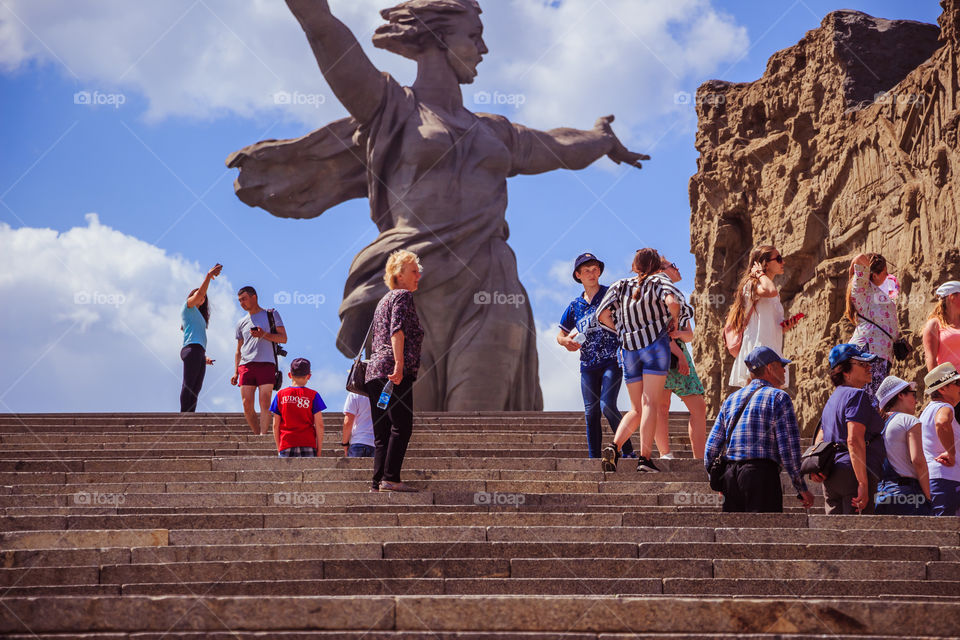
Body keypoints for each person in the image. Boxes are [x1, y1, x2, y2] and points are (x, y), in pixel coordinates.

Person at [229, 0, 649, 411]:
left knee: (479, 413)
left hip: (491, 283)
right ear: (438, 38)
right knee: (416, 417)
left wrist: (602, 138)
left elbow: (558, 147)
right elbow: (322, 27)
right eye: (474, 37)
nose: (483, 50)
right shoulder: (389, 105)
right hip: (412, 281)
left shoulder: (495, 131)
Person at [597, 248, 689, 473]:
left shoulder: (619, 285)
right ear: (657, 265)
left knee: (636, 408)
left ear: (635, 265)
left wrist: (620, 330)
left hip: (629, 350)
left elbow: (601, 314)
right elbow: (673, 303)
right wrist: (675, 322)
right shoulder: (659, 281)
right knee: (650, 405)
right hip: (655, 347)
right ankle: (645, 459)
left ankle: (614, 446)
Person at [704, 346, 814, 512]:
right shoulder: (779, 397)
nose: (785, 371)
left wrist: (717, 479)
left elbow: (711, 447)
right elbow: (789, 450)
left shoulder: (731, 399)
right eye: (781, 366)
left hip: (731, 476)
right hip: (761, 475)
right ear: (770, 368)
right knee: (763, 535)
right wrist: (801, 487)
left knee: (735, 535)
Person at [557, 252, 635, 459]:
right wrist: (566, 342)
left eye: (595, 269)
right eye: (586, 271)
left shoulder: (611, 294)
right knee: (590, 412)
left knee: (607, 405)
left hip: (613, 359)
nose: (592, 274)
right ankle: (593, 459)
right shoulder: (575, 306)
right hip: (588, 365)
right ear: (578, 275)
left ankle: (627, 451)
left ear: (599, 271)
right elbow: (560, 334)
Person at [366, 250, 425, 492]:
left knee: (382, 431)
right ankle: (390, 478)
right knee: (401, 425)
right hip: (392, 372)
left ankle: (377, 481)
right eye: (414, 271)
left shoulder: (383, 301)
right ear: (399, 274)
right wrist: (399, 365)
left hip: (374, 373)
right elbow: (397, 330)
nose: (418, 276)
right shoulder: (402, 296)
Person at [813, 344, 886, 514]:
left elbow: (820, 438)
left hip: (833, 475)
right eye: (861, 364)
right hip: (854, 473)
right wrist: (862, 483)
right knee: (857, 535)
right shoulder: (856, 395)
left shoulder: (832, 399)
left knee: (836, 534)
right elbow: (854, 440)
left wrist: (819, 468)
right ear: (845, 371)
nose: (869, 367)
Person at [654, 259, 706, 459]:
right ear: (660, 270)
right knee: (662, 405)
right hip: (662, 353)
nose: (677, 267)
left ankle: (699, 459)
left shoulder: (677, 295)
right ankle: (665, 454)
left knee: (698, 406)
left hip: (679, 351)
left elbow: (689, 335)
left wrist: (677, 335)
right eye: (672, 265)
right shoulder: (657, 292)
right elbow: (659, 331)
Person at [726, 245, 800, 388]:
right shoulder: (752, 284)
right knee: (755, 394)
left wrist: (784, 327)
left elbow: (770, 324)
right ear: (764, 263)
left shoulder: (768, 287)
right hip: (756, 349)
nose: (782, 262)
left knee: (769, 394)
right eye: (778, 259)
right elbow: (770, 291)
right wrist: (760, 274)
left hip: (771, 348)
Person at [231, 286, 287, 435]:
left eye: (244, 299)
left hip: (267, 363)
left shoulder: (272, 314)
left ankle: (263, 435)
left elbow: (283, 338)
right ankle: (257, 435)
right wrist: (235, 372)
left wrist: (263, 335)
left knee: (265, 401)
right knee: (246, 404)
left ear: (254, 297)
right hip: (246, 365)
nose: (241, 303)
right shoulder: (241, 323)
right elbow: (238, 350)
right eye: (239, 301)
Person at [845, 253, 899, 406]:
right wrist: (852, 272)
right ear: (873, 275)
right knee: (870, 400)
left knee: (876, 400)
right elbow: (860, 257)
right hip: (870, 351)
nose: (888, 275)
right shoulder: (863, 288)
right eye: (884, 272)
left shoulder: (874, 292)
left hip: (881, 354)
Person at [873, 376, 932, 515]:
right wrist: (929, 496)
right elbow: (918, 460)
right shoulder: (909, 420)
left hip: (880, 494)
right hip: (908, 495)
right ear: (900, 395)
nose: (916, 401)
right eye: (913, 395)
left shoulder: (877, 425)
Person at [919, 363, 960, 516]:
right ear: (942, 389)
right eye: (957, 383)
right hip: (947, 479)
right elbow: (942, 423)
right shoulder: (945, 407)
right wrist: (951, 453)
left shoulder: (925, 412)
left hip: (932, 479)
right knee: (947, 532)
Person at [180, 264, 221, 412]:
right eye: (199, 295)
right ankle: (184, 414)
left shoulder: (199, 317)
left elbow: (197, 338)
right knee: (189, 384)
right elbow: (198, 294)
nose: (201, 297)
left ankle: (190, 415)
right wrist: (208, 277)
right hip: (191, 349)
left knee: (196, 387)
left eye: (204, 297)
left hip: (198, 351)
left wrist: (204, 357)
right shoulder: (188, 307)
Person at [270, 358, 325, 457]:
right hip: (308, 443)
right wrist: (319, 450)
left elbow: (275, 425)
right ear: (309, 376)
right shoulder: (314, 395)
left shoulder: (280, 395)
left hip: (286, 443)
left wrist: (279, 447)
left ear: (290, 375)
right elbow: (319, 424)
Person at [922, 281, 960, 379]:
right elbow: (931, 359)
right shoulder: (934, 324)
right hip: (950, 382)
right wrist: (938, 385)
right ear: (952, 297)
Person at [342, 391, 375, 457]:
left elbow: (348, 422)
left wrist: (345, 444)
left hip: (358, 441)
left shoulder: (354, 394)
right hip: (377, 443)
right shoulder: (382, 393)